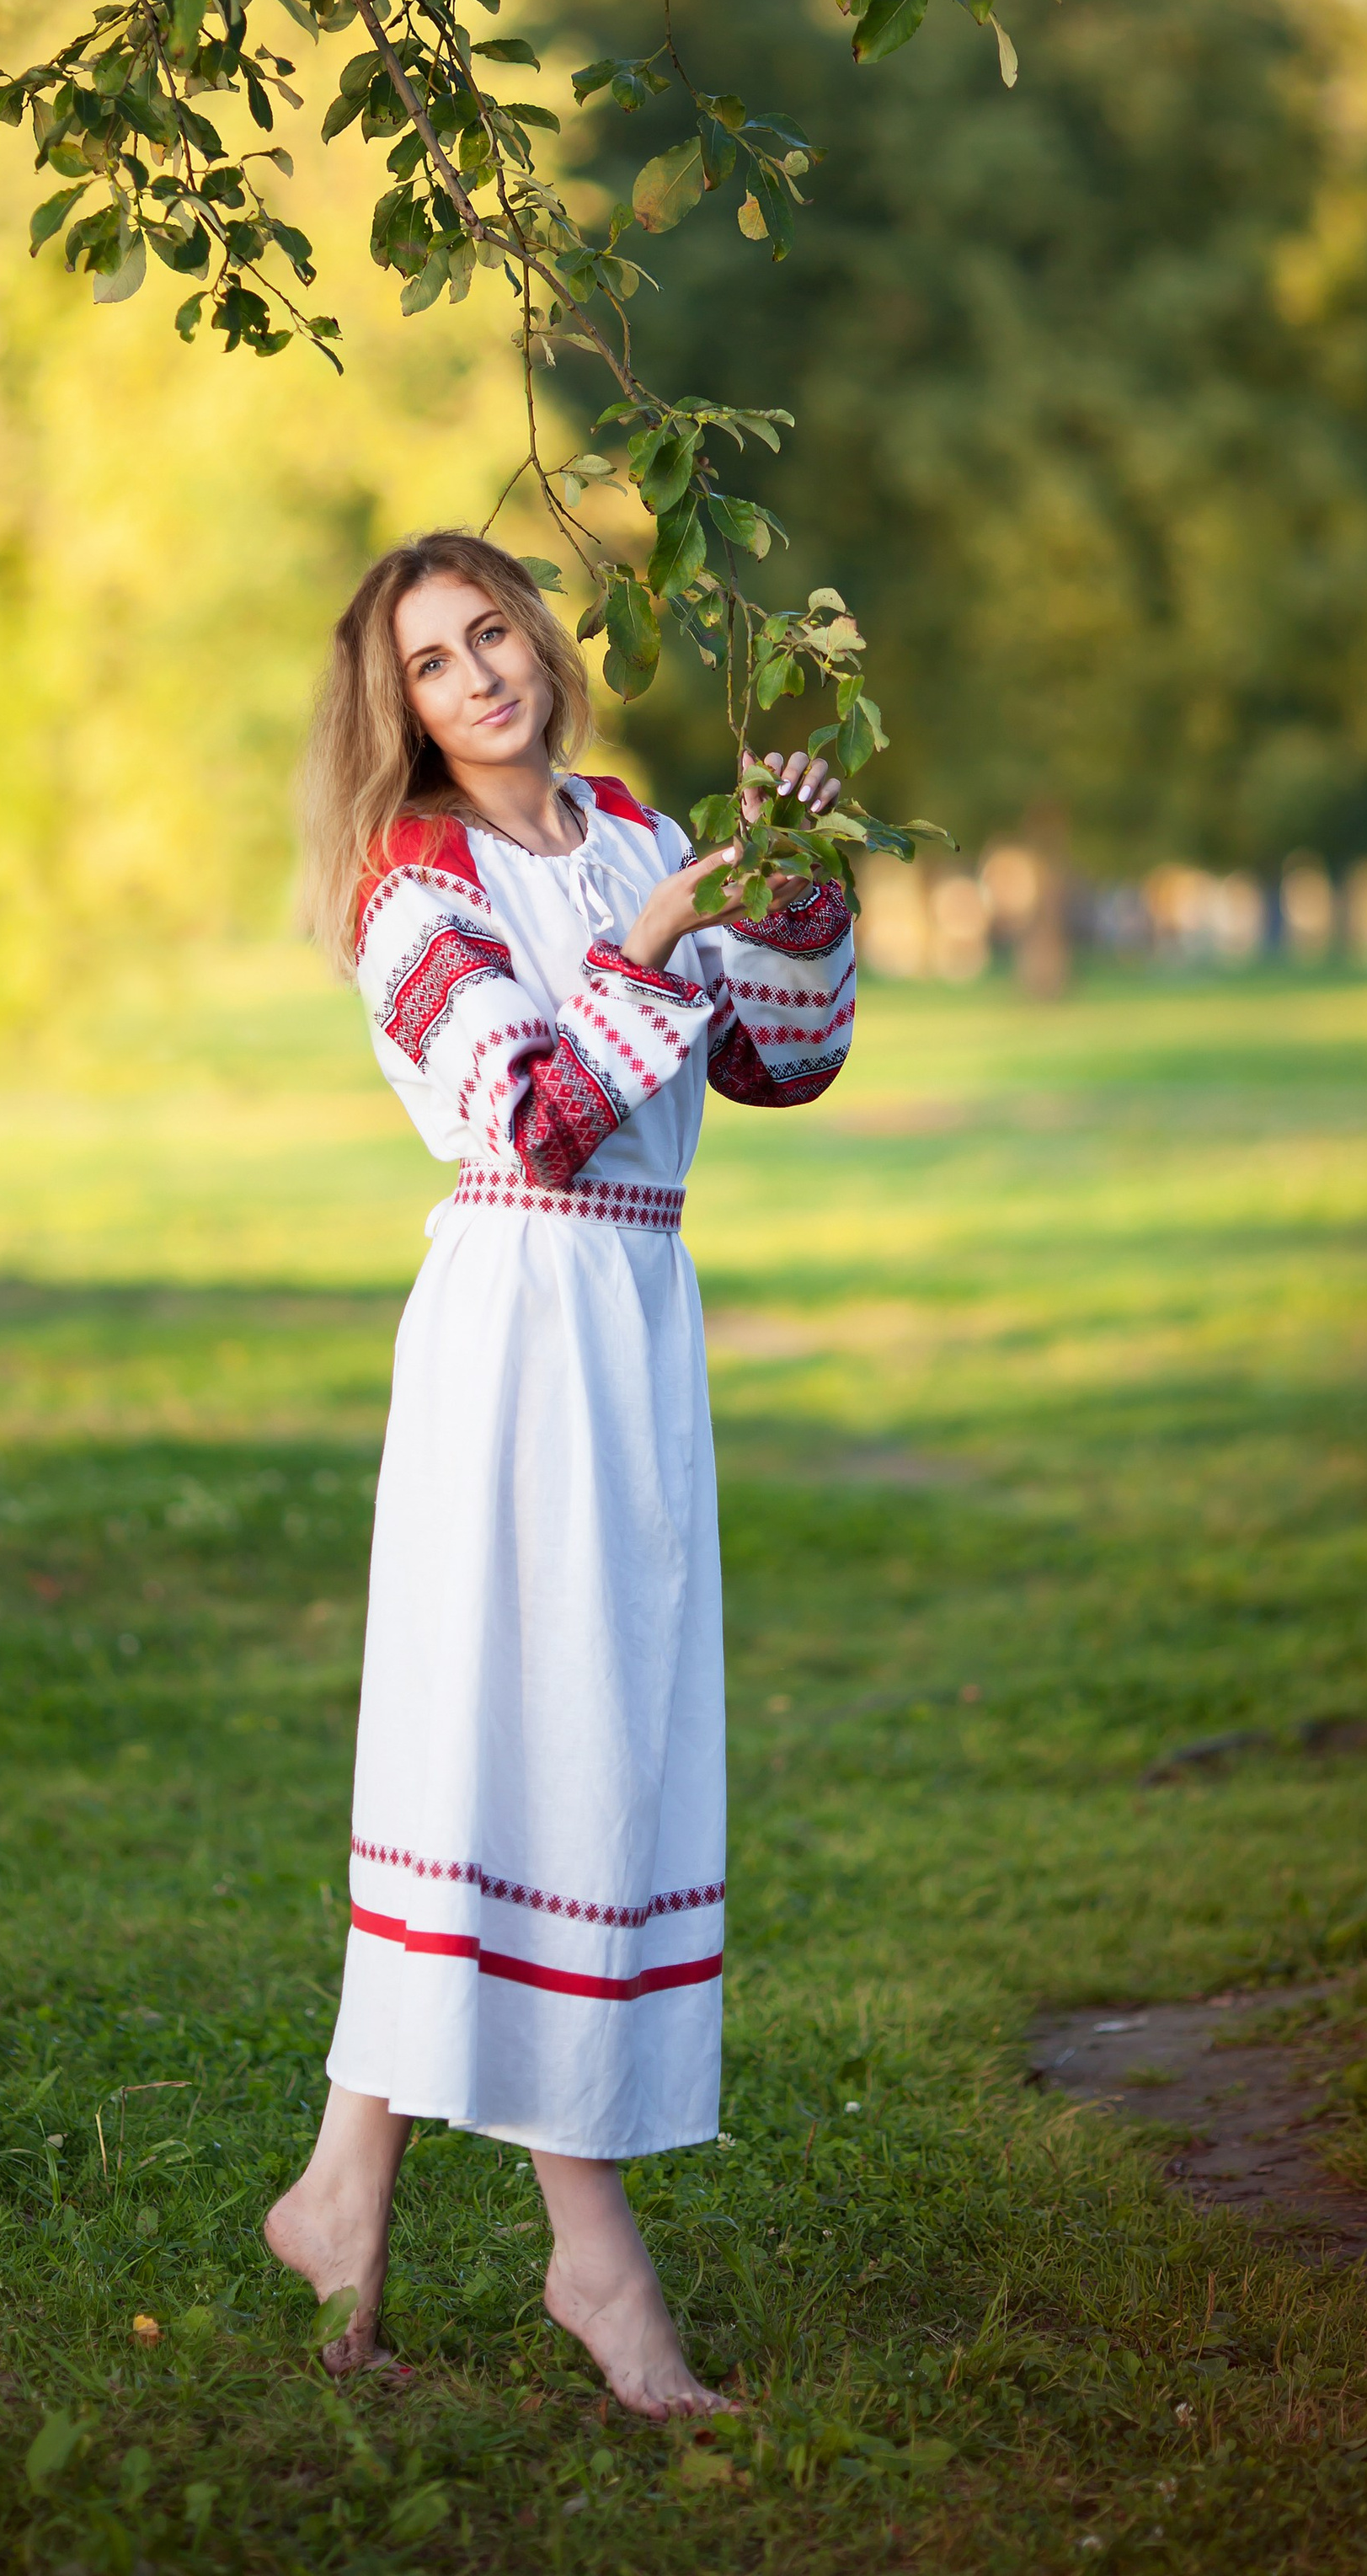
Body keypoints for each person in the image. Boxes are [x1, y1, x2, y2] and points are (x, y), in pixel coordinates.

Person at [266, 530, 857, 2417]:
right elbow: (529, 1112)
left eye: (491, 633)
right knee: (535, 1757)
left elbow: (780, 1066)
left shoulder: (631, 831)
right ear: (404, 712)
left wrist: (783, 879)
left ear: (541, 636)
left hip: (634, 1319)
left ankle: (344, 2190)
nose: (479, 677)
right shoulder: (408, 881)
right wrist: (659, 934)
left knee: (550, 1751)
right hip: (513, 1329)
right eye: (433, 665)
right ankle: (595, 2265)